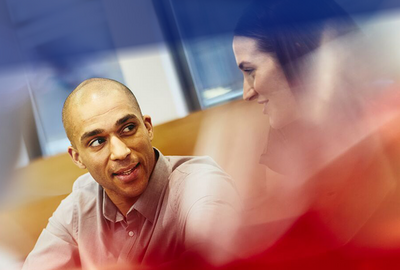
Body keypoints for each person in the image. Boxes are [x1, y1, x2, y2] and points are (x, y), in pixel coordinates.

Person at [231, 0, 400, 267]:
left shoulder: (388, 120)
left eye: (251, 71)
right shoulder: (282, 137)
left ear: (299, 54)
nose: (246, 92)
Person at [22, 78, 240, 270]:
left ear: (147, 128)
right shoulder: (77, 207)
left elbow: (213, 262)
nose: (121, 152)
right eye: (98, 141)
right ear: (77, 158)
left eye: (127, 128)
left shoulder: (201, 185)